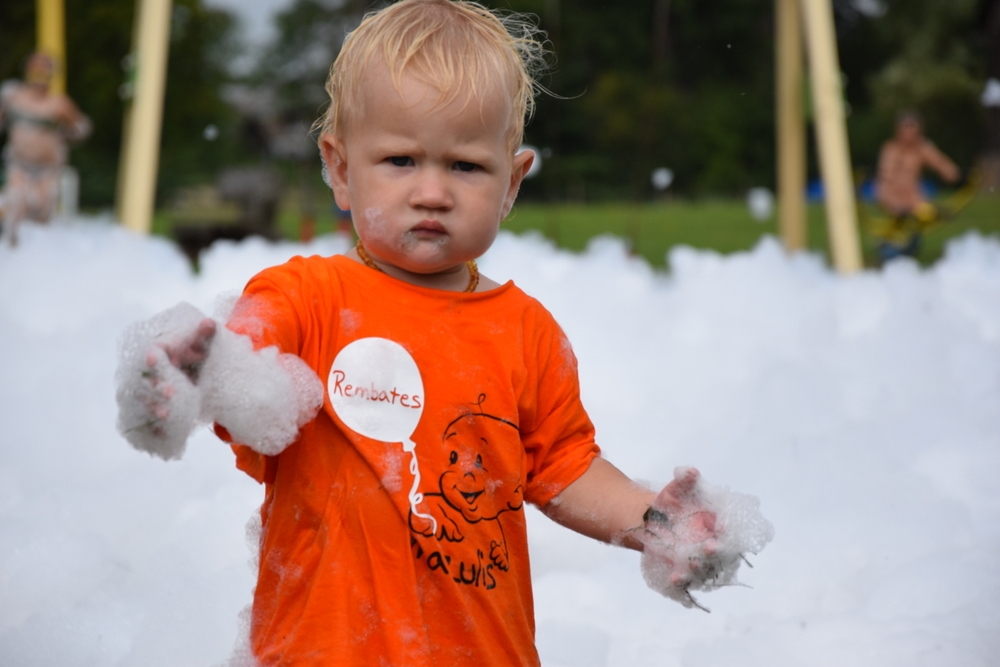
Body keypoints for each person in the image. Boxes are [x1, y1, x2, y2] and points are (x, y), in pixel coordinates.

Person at [120, 2, 729, 664]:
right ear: (342, 169)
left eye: (465, 167)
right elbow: (242, 368)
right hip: (319, 649)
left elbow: (564, 466)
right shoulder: (307, 299)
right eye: (401, 160)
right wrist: (192, 371)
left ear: (511, 184)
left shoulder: (526, 331)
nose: (433, 191)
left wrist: (654, 523)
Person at [0, 52, 91, 246]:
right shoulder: (13, 96)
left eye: (44, 71)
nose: (38, 77)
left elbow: (83, 127)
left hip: (47, 169)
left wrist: (66, 134)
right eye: (35, 70)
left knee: (43, 212)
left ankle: (41, 257)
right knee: (17, 207)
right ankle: (11, 252)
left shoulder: (59, 103)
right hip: (19, 164)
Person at [873, 111, 960, 260]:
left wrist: (951, 172)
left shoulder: (922, 148)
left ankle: (905, 246)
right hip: (891, 196)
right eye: (905, 129)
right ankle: (889, 246)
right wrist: (891, 201)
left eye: (913, 129)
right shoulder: (890, 150)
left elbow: (942, 165)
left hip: (913, 197)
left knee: (922, 220)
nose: (909, 134)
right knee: (898, 232)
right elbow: (884, 180)